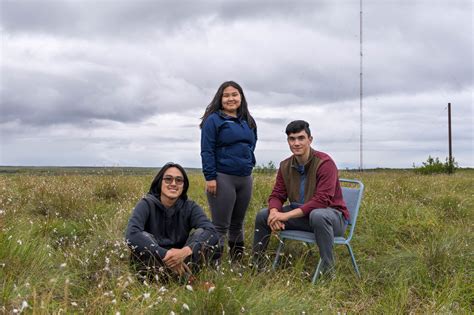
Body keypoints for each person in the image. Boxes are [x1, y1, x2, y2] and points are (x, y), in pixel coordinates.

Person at [252, 120, 349, 275]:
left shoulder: (325, 163)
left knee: (318, 215)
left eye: (301, 138)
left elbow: (321, 201)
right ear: (288, 141)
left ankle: (328, 272)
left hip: (331, 218)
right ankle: (257, 268)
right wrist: (274, 214)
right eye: (292, 139)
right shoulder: (285, 165)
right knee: (263, 215)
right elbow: (277, 194)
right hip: (302, 216)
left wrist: (285, 215)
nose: (296, 143)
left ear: (310, 140)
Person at [125, 162, 218, 282]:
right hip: (154, 259)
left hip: (184, 259)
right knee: (143, 237)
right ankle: (186, 279)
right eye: (168, 179)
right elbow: (132, 234)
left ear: (183, 186)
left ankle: (180, 277)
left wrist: (186, 251)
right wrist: (168, 256)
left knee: (204, 235)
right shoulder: (146, 204)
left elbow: (212, 231)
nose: (173, 184)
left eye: (179, 180)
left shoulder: (190, 206)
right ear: (160, 182)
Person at [200, 81, 257, 261]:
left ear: (241, 97)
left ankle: (236, 265)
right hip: (222, 177)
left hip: (245, 178)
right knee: (220, 226)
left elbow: (251, 145)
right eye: (226, 95)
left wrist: (247, 162)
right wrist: (210, 177)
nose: (231, 98)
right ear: (220, 98)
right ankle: (214, 264)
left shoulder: (248, 121)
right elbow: (206, 150)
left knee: (237, 224)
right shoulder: (213, 121)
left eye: (235, 94)